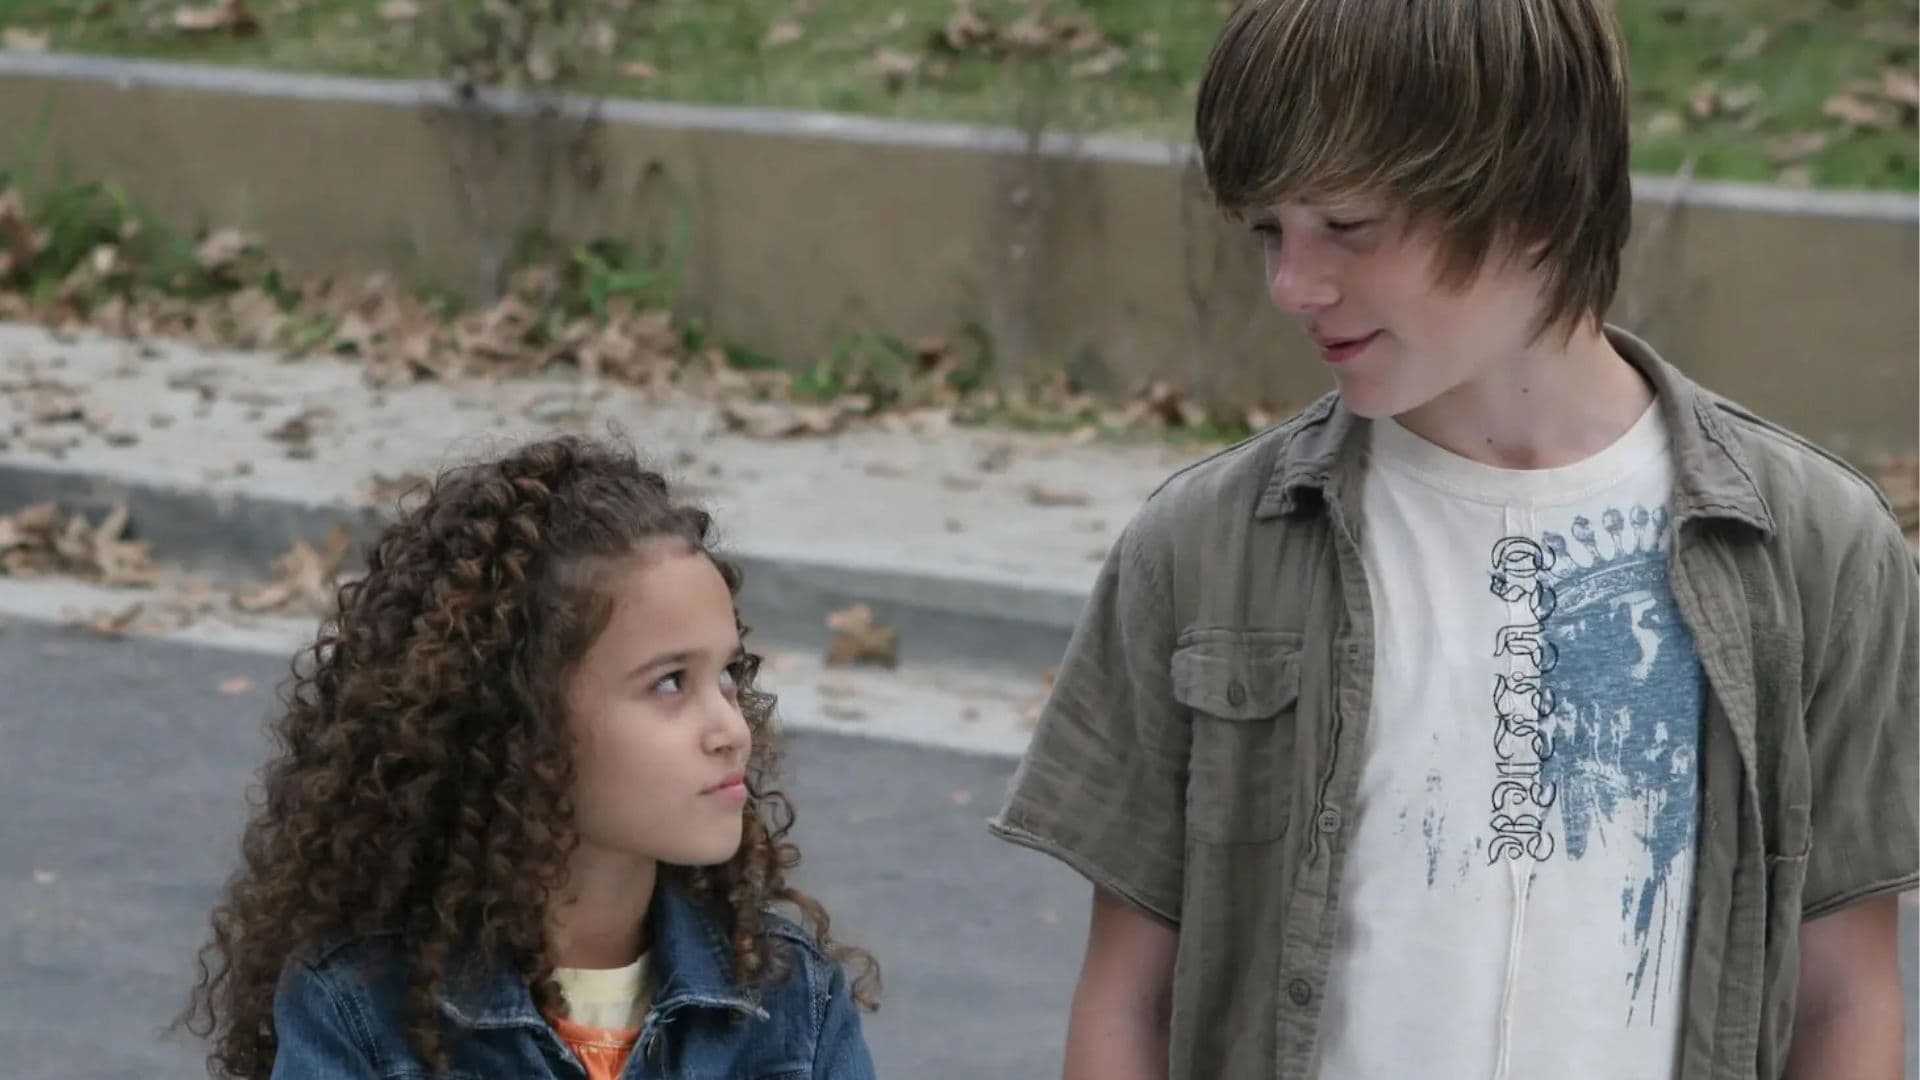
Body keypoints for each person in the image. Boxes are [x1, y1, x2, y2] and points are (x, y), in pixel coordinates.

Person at [990, 1, 1917, 1077]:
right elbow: (1129, 1002)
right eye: (1269, 231)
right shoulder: (1203, 548)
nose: (1292, 285)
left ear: (1533, 202)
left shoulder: (1815, 549)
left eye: (1348, 225)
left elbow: (1844, 1001)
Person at [180, 435, 879, 1079]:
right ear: (520, 720)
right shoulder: (361, 1011)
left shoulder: (794, 1000)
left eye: (728, 675)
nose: (731, 728)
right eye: (670, 683)